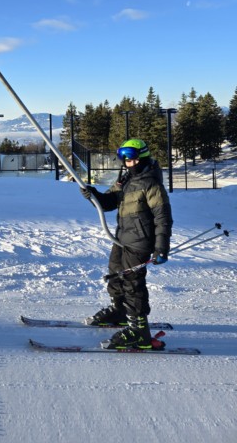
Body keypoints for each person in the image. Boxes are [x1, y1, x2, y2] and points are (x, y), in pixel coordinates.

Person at [81, 138, 172, 349]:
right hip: (123, 238)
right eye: (124, 158)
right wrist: (92, 195)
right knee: (115, 273)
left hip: (140, 241)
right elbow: (108, 203)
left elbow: (163, 218)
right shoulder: (126, 179)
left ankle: (139, 331)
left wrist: (161, 247)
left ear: (142, 158)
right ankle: (120, 311)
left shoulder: (151, 183)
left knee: (132, 283)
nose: (127, 162)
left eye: (131, 158)